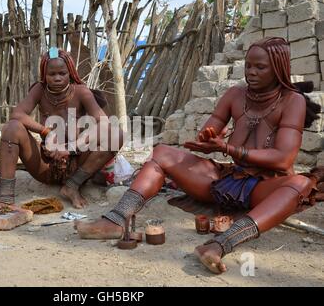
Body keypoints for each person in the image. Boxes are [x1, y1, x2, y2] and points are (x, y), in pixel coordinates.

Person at [75, 37, 323, 274]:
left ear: (278, 69)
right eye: (248, 66)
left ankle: (217, 246)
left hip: (266, 188)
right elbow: (211, 127)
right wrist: (207, 138)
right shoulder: (235, 95)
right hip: (228, 180)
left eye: (260, 67)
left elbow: (283, 160)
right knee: (162, 153)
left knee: (301, 183)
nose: (251, 72)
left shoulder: (293, 101)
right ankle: (117, 221)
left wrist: (227, 148)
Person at [0, 48, 122, 210]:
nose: (57, 78)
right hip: (45, 166)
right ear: (44, 75)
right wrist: (46, 132)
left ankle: (72, 186)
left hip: (77, 164)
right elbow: (17, 114)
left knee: (116, 134)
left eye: (62, 73)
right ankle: (5, 199)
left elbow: (103, 123)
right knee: (12, 127)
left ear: (71, 73)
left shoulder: (81, 92)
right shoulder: (39, 90)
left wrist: (70, 148)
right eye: (52, 74)